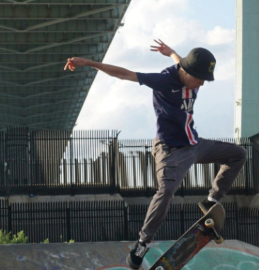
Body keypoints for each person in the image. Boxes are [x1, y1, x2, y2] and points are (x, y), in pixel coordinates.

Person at [64, 40, 247, 269]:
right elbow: (124, 74)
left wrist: (170, 52)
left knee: (238, 154)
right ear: (187, 72)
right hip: (169, 150)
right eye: (199, 79)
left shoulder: (187, 70)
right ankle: (142, 244)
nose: (201, 84)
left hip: (194, 143)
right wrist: (88, 63)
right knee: (167, 190)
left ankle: (210, 201)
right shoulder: (162, 81)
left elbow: (180, 61)